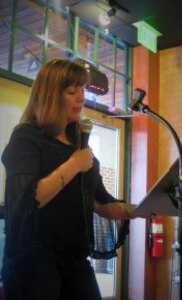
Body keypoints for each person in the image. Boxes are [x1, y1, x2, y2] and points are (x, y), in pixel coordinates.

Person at [1, 59, 133, 300]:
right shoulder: (26, 137)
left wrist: (135, 209)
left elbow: (99, 202)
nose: (81, 98)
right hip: (33, 261)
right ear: (51, 95)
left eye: (82, 90)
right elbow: (28, 199)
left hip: (75, 260)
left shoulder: (79, 142)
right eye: (72, 91)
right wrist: (74, 164)